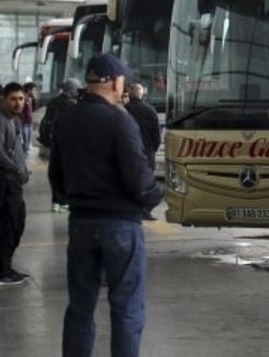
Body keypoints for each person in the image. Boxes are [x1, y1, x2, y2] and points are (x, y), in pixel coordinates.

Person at [51, 54, 163, 357]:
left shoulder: (66, 120)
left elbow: (56, 178)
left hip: (80, 224)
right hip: (121, 226)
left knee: (80, 307)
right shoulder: (119, 121)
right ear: (115, 82)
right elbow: (138, 180)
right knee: (127, 308)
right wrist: (157, 194)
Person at [0, 82, 30, 286]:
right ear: (4, 100)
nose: (18, 103)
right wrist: (16, 169)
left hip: (14, 182)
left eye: (21, 99)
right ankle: (2, 271)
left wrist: (23, 171)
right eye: (13, 99)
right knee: (9, 225)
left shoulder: (14, 121)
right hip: (6, 182)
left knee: (16, 223)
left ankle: (4, 267)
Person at [41, 78, 81, 212]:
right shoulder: (72, 104)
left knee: (55, 170)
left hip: (53, 139)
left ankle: (56, 201)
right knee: (66, 171)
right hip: (67, 140)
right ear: (73, 89)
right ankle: (63, 201)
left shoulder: (53, 101)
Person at [124, 84, 161, 221]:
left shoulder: (124, 110)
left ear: (130, 94)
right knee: (146, 182)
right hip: (147, 150)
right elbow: (156, 134)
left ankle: (130, 209)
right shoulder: (150, 110)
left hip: (128, 151)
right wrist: (153, 149)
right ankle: (145, 211)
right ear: (142, 95)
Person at [20, 82, 37, 155]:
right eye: (34, 90)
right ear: (29, 90)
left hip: (29, 122)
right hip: (24, 123)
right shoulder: (22, 98)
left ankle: (25, 153)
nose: (35, 92)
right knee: (24, 140)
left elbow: (33, 109)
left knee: (28, 140)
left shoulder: (30, 99)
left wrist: (34, 99)